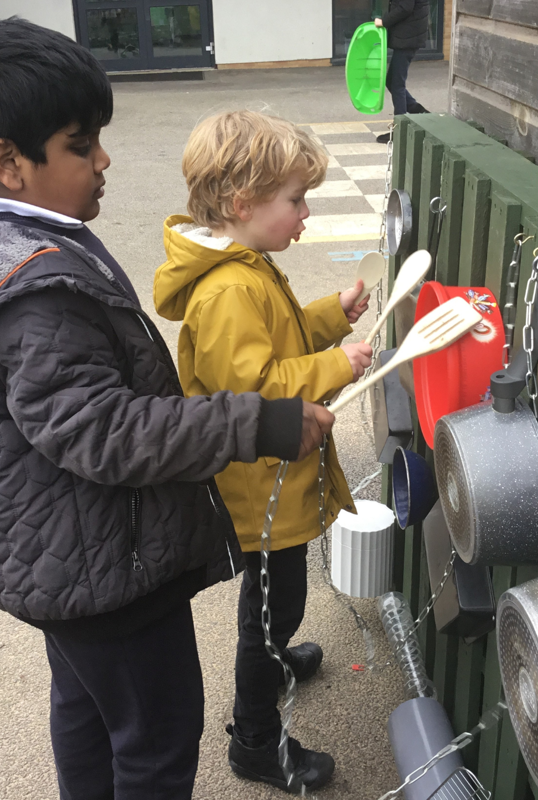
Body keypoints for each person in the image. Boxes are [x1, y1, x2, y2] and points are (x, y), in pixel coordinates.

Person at [0, 20, 335, 800]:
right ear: (9, 162)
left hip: (58, 553)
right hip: (99, 563)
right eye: (80, 143)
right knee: (157, 739)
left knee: (88, 708)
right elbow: (103, 429)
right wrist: (260, 423)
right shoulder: (35, 287)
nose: (103, 159)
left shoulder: (9, 242)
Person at [153, 110, 373, 794]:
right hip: (259, 491)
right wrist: (337, 364)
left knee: (279, 600)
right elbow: (253, 388)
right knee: (272, 609)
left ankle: (274, 668)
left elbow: (278, 337)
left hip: (274, 480)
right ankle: (254, 737)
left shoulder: (248, 267)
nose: (306, 213)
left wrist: (330, 315)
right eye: (296, 200)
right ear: (243, 204)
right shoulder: (228, 289)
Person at [374, 0, 431, 144]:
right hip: (408, 35)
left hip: (409, 37)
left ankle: (400, 130)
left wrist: (383, 21)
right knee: (391, 81)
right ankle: (416, 110)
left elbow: (405, 8)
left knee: (397, 84)